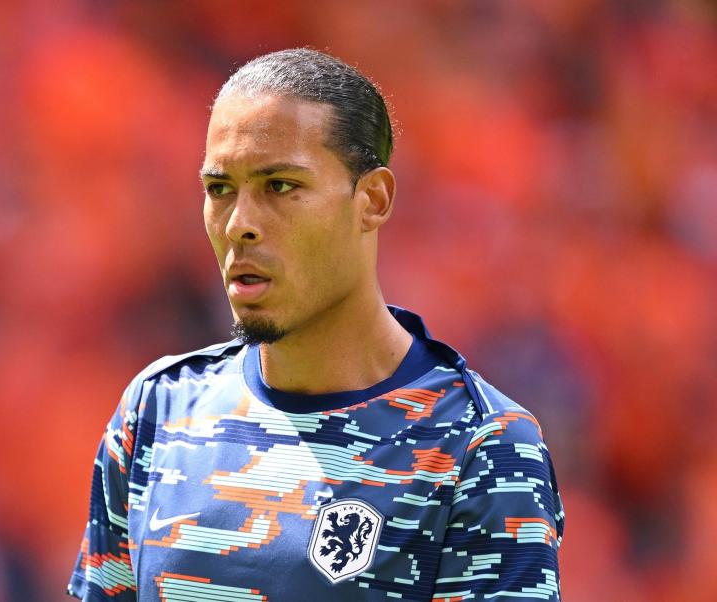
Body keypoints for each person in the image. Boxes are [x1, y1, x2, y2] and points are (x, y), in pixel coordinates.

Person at [67, 48, 564, 601]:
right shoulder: (156, 411)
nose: (240, 224)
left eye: (279, 186)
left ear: (372, 200)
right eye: (219, 189)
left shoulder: (480, 444)